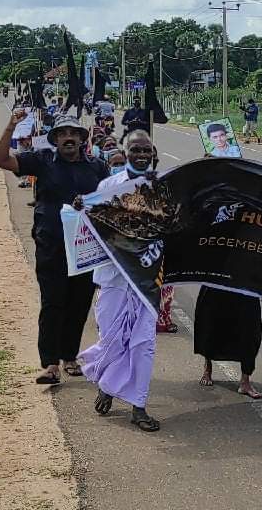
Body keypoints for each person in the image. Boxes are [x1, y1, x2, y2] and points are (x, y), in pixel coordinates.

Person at [0, 110, 109, 385]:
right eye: (62, 134)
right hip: (51, 245)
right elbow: (1, 160)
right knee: (52, 302)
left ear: (82, 139)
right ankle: (50, 364)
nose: (68, 138)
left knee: (79, 303)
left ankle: (70, 356)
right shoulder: (42, 160)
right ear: (55, 139)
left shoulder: (97, 167)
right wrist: (11, 126)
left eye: (73, 134)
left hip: (85, 249)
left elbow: (109, 200)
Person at [76, 130, 163, 432]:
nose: (141, 155)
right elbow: (93, 225)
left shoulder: (161, 188)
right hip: (113, 278)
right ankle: (106, 384)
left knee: (143, 344)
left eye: (146, 150)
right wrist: (81, 209)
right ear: (126, 153)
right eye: (136, 150)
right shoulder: (108, 187)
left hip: (146, 281)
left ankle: (139, 407)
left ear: (153, 154)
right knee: (112, 340)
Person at [194, 286, 262, 398]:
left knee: (250, 330)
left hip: (245, 285)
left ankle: (245, 380)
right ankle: (207, 366)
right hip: (218, 282)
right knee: (211, 323)